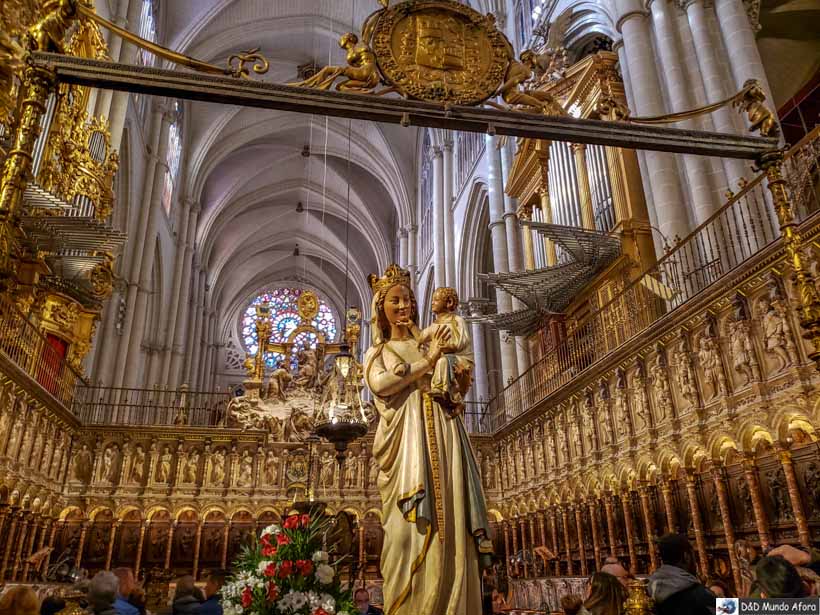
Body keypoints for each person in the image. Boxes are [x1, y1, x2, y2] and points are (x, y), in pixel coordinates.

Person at [363, 264, 493, 614]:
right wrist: (429, 360)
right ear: (381, 308)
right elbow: (382, 384)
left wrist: (453, 371)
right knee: (407, 534)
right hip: (407, 446)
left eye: (407, 299)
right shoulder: (378, 353)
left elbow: (456, 382)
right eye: (395, 301)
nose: (403, 306)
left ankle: (452, 601)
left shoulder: (430, 339)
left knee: (451, 519)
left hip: (445, 433)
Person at [648, 534, 715, 615]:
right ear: (686, 556)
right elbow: (731, 611)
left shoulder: (647, 591)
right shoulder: (700, 594)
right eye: (693, 555)